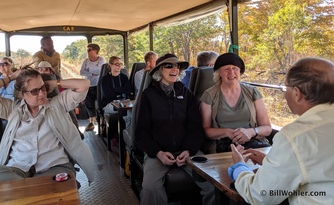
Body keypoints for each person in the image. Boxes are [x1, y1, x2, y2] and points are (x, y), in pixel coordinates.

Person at [229, 57, 334, 205]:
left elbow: (260, 195)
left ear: (297, 93)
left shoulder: (296, 136)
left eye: (285, 88)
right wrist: (270, 162)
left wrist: (239, 167)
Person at [0, 67, 94, 184]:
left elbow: (84, 84)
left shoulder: (58, 104)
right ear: (22, 94)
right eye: (35, 91)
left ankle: (25, 189)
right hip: (18, 168)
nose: (41, 93)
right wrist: (11, 77)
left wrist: (56, 83)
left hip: (53, 166)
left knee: (55, 181)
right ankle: (35, 188)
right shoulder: (12, 109)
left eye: (43, 88)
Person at [135, 53, 214, 205]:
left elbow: (195, 128)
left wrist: (188, 150)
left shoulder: (186, 93)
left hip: (186, 151)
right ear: (159, 70)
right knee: (150, 187)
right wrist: (158, 153)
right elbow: (142, 131)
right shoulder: (148, 95)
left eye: (177, 66)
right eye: (169, 66)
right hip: (157, 152)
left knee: (213, 184)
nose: (174, 69)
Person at [200, 52, 272, 153]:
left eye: (235, 69)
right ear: (219, 73)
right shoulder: (209, 95)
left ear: (240, 72)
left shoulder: (252, 92)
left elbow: (267, 128)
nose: (231, 73)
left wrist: (251, 132)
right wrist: (227, 132)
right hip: (222, 145)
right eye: (226, 69)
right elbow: (206, 131)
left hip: (253, 143)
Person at [79, 43, 105, 132]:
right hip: (89, 85)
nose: (88, 52)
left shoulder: (101, 60)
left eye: (89, 50)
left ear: (95, 51)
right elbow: (82, 72)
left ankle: (101, 122)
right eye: (87, 50)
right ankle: (92, 122)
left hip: (99, 85)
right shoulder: (86, 61)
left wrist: (88, 70)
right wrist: (92, 73)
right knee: (89, 104)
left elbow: (101, 70)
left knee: (100, 103)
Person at [100, 56, 131, 127]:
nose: (119, 66)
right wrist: (121, 91)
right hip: (109, 103)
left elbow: (128, 92)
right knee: (126, 113)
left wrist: (115, 90)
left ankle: (127, 135)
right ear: (110, 65)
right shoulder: (105, 79)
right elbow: (108, 95)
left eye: (120, 64)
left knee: (130, 113)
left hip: (124, 102)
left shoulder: (124, 77)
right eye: (117, 64)